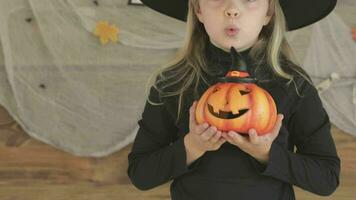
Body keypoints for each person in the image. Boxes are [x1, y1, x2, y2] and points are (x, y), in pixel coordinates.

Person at [127, 0, 340, 199]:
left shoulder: (294, 84)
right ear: (198, 9)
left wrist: (267, 154)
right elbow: (141, 174)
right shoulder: (172, 83)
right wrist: (192, 147)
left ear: (268, 12)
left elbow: (326, 178)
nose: (232, 9)